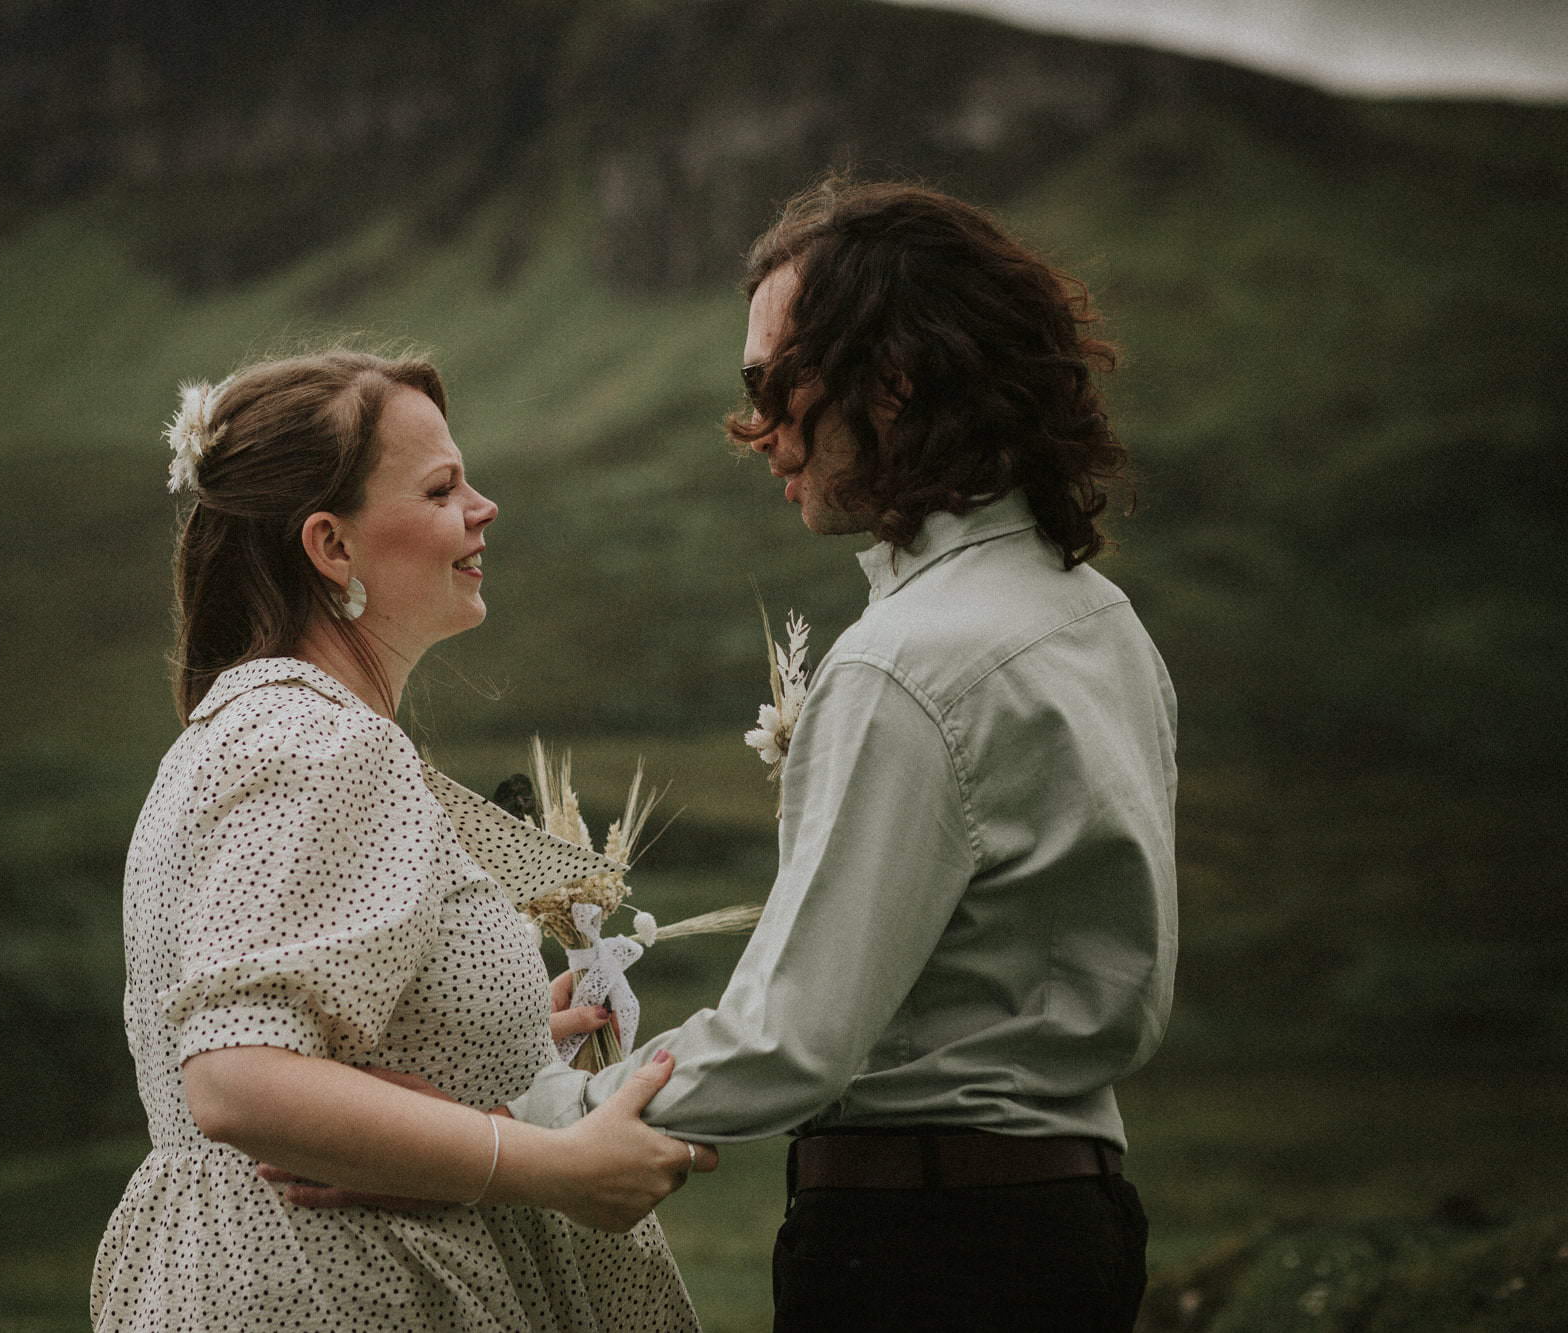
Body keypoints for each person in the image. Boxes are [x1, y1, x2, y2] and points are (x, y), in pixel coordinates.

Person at [287, 180, 1178, 1330]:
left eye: (770, 383)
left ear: (892, 380)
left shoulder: (903, 667)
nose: (755, 429)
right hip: (1075, 1226)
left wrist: (506, 1131)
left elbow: (789, 1039)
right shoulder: (1098, 618)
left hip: (923, 1254)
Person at [90, 350, 714, 1332]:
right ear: (331, 547)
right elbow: (236, 1075)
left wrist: (493, 1034)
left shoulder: (254, 725)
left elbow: (309, 1029)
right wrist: (556, 1166)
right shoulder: (319, 742)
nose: (484, 506)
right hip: (343, 1288)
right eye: (440, 488)